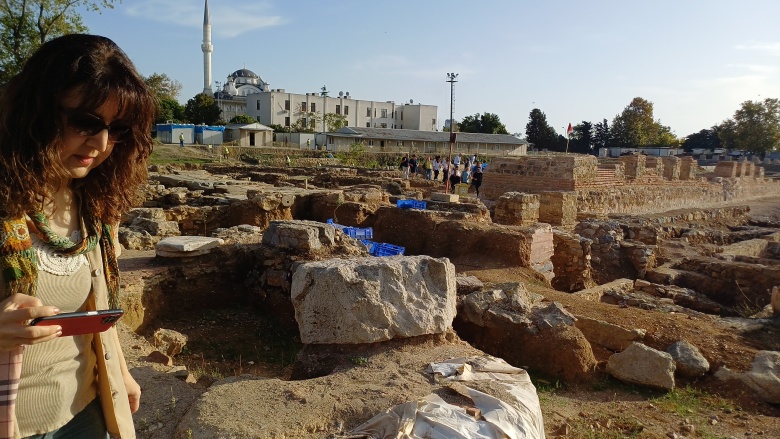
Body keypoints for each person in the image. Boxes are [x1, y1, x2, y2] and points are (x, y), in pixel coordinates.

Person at [0, 34, 154, 438]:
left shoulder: (95, 205)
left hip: (84, 413)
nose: (101, 144)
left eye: (117, 129)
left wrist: (122, 376)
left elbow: (97, 314)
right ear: (36, 110)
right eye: (86, 122)